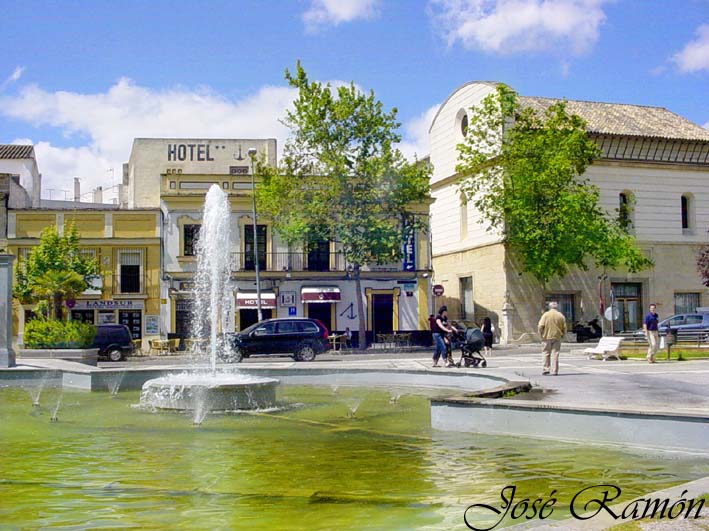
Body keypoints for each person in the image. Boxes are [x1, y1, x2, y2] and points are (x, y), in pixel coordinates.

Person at [537, 301, 567, 375]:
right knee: (555, 354)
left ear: (549, 307)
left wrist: (541, 335)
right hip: (557, 337)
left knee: (546, 353)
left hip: (546, 337)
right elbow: (565, 327)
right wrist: (563, 335)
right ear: (557, 307)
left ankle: (546, 369)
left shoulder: (546, 315)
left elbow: (540, 326)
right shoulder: (560, 316)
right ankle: (554, 370)